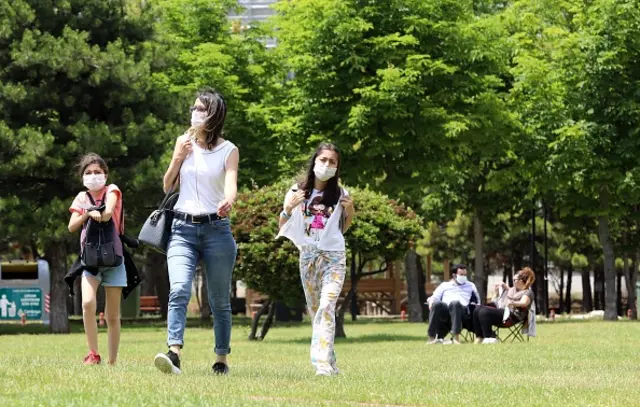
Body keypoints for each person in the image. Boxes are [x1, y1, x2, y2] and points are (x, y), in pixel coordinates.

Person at [154, 88, 238, 376]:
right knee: (178, 289)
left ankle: (221, 358)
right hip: (182, 228)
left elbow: (231, 182)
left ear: (214, 115)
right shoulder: (183, 143)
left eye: (201, 109)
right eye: (194, 108)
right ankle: (173, 352)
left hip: (217, 229)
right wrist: (177, 157)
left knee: (219, 300)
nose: (195, 113)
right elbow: (168, 186)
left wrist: (229, 200)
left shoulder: (229, 150)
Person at [277, 142, 355, 376]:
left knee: (327, 306)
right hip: (308, 257)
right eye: (323, 160)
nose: (327, 165)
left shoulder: (341, 194)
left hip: (334, 257)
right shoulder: (296, 192)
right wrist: (287, 210)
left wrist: (350, 212)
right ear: (314, 162)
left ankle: (321, 364)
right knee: (316, 311)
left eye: (332, 162)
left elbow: (343, 228)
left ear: (337, 167)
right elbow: (283, 227)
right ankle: (329, 360)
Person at [68, 153, 126, 365]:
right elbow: (72, 225)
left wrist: (98, 212)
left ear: (105, 174)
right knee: (87, 303)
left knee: (112, 315)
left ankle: (112, 361)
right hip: (91, 260)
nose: (93, 176)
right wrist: (86, 213)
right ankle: (93, 353)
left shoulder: (112, 190)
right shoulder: (81, 198)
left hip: (113, 260)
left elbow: (109, 212)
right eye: (89, 173)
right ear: (83, 177)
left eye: (98, 172)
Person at [472, 267, 536, 344]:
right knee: (477, 309)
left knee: (484, 311)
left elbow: (524, 302)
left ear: (521, 281)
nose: (514, 281)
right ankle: (480, 336)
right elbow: (509, 290)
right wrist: (501, 286)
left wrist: (513, 303)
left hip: (511, 317)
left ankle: (490, 338)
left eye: (515, 280)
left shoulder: (527, 292)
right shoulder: (513, 290)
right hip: (504, 312)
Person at [427, 264, 481, 344]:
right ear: (454, 275)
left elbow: (477, 301)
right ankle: (431, 338)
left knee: (455, 303)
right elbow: (434, 297)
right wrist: (431, 302)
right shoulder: (444, 285)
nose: (464, 277)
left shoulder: (470, 285)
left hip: (463, 312)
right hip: (446, 311)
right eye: (461, 275)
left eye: (465, 275)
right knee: (436, 304)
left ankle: (456, 338)